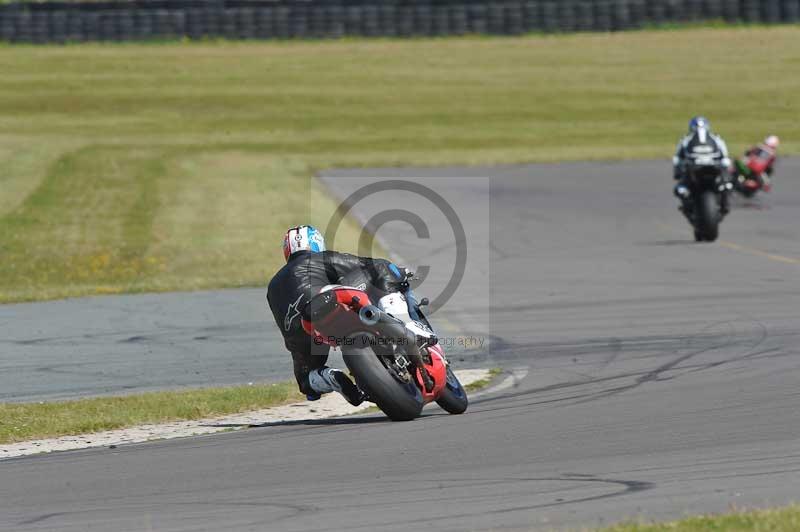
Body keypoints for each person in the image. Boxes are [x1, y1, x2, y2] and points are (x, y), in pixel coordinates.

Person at [266, 225, 420, 406]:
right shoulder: (320, 258)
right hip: (329, 303)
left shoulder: (272, 286)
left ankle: (331, 377)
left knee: (306, 382)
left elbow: (283, 325)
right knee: (381, 267)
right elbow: (366, 264)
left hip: (302, 333)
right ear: (317, 243)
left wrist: (297, 346)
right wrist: (400, 272)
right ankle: (407, 324)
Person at [672, 116, 732, 213]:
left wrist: (677, 171)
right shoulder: (715, 138)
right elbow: (725, 156)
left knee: (726, 184)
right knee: (681, 189)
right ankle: (724, 203)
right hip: (697, 171)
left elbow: (677, 158)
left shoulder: (686, 139)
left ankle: (724, 203)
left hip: (710, 169)